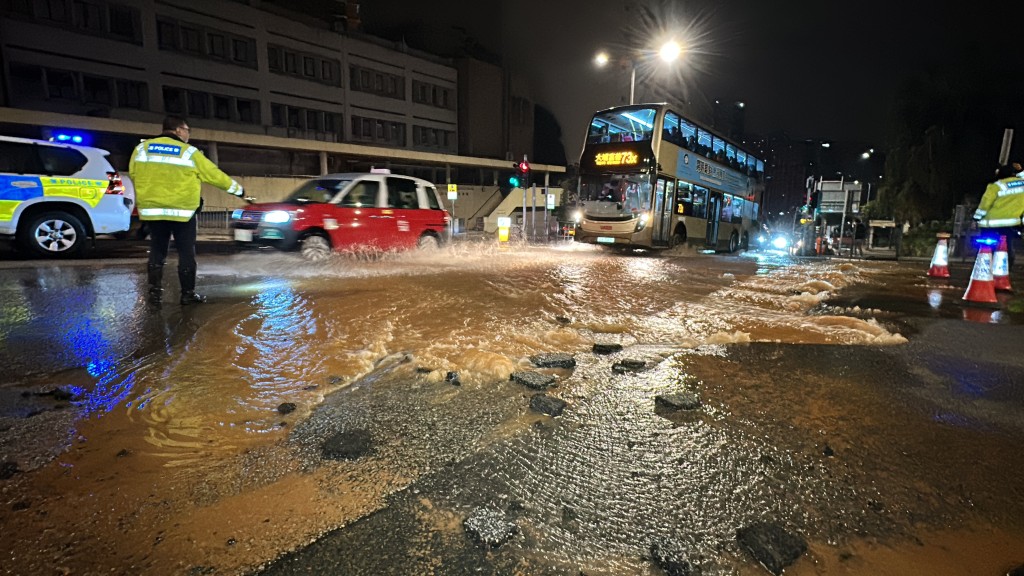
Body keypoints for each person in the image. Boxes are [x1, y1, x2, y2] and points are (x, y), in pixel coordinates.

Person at [129, 115, 245, 305]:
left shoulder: (141, 149)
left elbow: (134, 174)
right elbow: (214, 175)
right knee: (186, 253)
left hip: (154, 211)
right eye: (187, 130)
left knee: (157, 251)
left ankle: (154, 294)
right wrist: (238, 191)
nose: (188, 135)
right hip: (183, 212)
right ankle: (187, 294)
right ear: (178, 130)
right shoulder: (189, 152)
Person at [973, 164, 1024, 269]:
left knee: (987, 247)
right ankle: (1004, 269)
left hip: (990, 223)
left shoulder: (996, 186)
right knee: (1007, 246)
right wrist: (1021, 170)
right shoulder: (1022, 185)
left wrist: (976, 217)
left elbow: (985, 204)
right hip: (1012, 223)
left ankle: (984, 268)